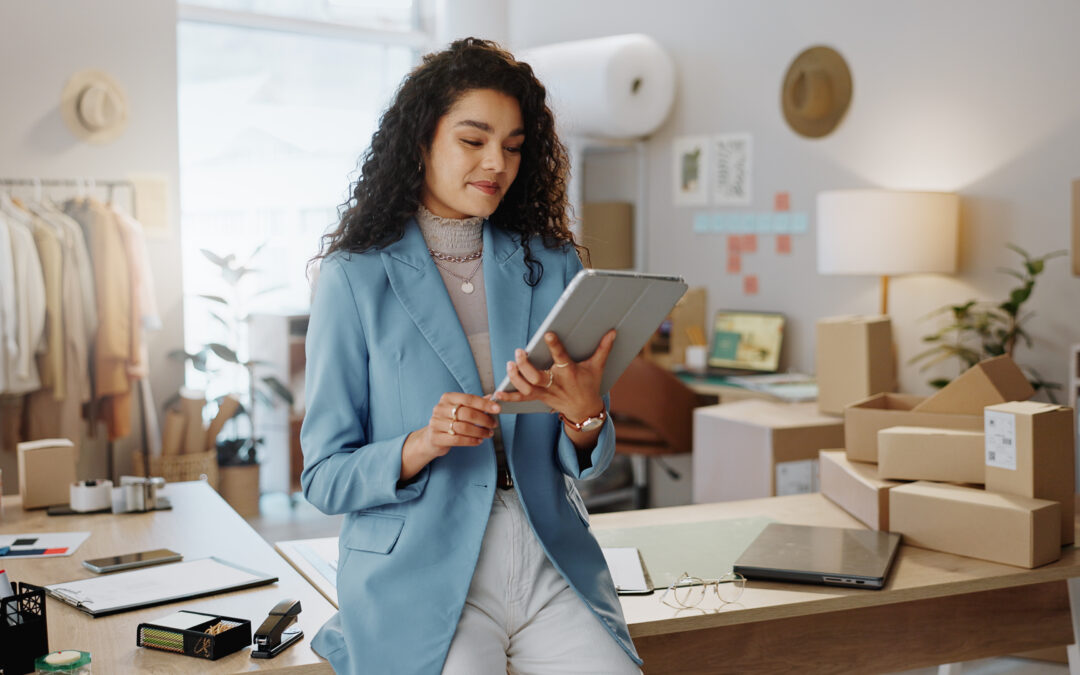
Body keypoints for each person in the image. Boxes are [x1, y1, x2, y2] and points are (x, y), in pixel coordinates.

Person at [301, 38, 642, 674]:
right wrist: (421, 443)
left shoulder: (552, 263)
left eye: (513, 147)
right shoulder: (353, 278)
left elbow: (586, 458)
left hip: (547, 556)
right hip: (421, 571)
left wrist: (585, 416)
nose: (497, 163)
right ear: (421, 140)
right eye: (473, 140)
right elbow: (324, 476)